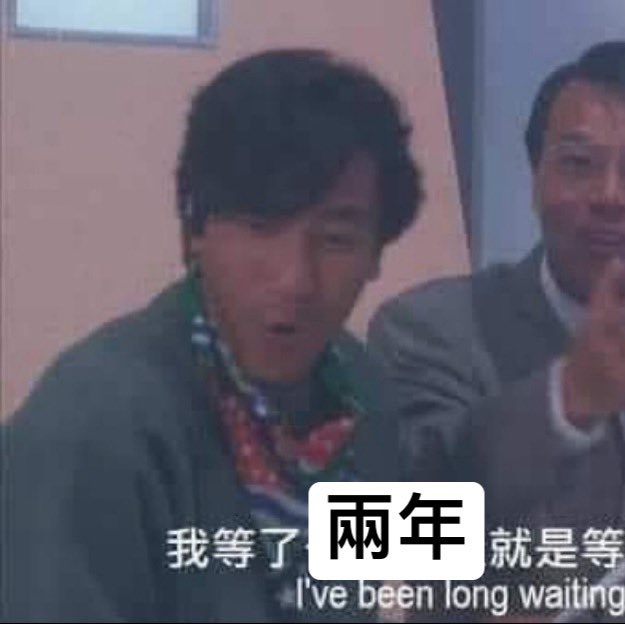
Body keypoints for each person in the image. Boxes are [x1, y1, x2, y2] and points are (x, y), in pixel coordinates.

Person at [356, 40, 625, 620]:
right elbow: (374, 539)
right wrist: (564, 404)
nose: (609, 196)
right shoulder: (427, 329)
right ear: (535, 177)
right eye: (577, 163)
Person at [1, 48, 423, 622]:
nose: (295, 279)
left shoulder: (363, 392)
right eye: (260, 227)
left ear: (376, 254)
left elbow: (382, 593)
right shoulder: (93, 421)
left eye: (336, 240)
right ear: (195, 229)